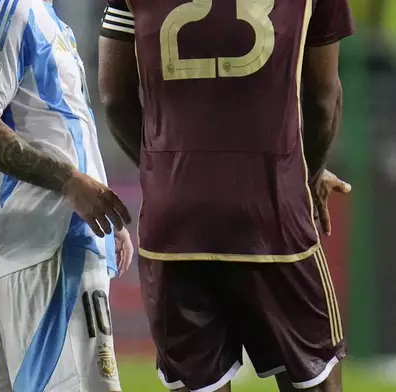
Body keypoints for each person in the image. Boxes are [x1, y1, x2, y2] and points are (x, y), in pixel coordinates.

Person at [98, 1, 354, 392]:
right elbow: (323, 96)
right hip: (274, 215)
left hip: (175, 225)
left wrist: (168, 172)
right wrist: (308, 174)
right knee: (317, 380)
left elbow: (114, 95)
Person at [0, 0, 134, 391]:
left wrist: (102, 209)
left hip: (64, 239)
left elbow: (63, 127)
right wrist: (69, 182)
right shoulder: (8, 9)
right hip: (46, 244)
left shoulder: (49, 20)